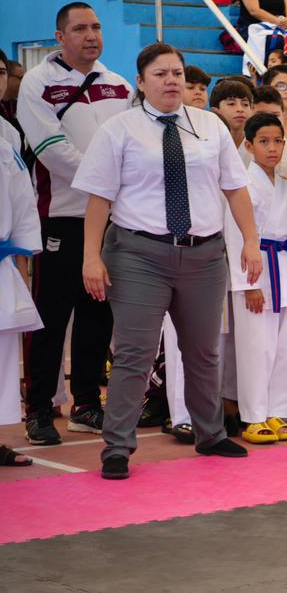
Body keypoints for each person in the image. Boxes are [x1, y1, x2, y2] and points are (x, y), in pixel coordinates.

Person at [75, 43, 261, 479]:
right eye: (160, 74)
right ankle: (117, 447)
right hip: (138, 254)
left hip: (205, 253)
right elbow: (98, 200)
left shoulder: (210, 126)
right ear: (140, 82)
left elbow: (235, 189)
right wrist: (90, 257)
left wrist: (249, 240)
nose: (172, 81)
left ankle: (210, 434)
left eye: (177, 73)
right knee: (134, 355)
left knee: (203, 351)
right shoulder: (119, 130)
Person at [18, 2, 131, 446]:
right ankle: (40, 408)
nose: (91, 35)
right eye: (80, 28)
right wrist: (107, 184)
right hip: (62, 218)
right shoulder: (37, 83)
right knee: (51, 315)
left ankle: (87, 404)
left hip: (113, 219)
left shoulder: (119, 85)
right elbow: (51, 149)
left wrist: (118, 193)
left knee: (98, 313)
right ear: (59, 36)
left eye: (97, 27)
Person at [227, 113, 287, 445]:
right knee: (255, 348)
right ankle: (253, 415)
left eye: (278, 141)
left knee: (281, 347)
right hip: (257, 269)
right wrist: (247, 284)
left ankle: (277, 411)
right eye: (264, 141)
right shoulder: (241, 186)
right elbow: (235, 235)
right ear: (248, 146)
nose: (272, 148)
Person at [0, 134, 40, 467]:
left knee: (1, 355)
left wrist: (23, 259)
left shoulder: (3, 147)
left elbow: (23, 203)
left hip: (1, 261)